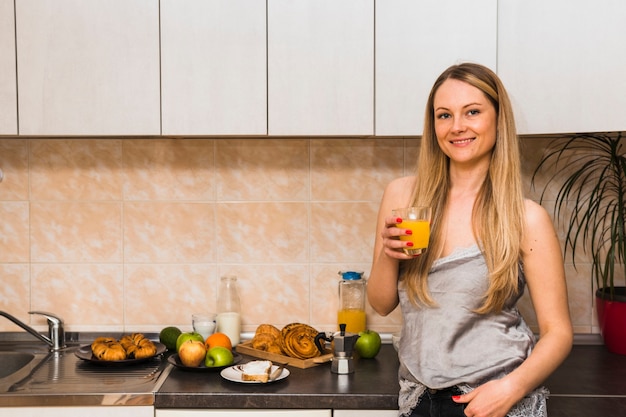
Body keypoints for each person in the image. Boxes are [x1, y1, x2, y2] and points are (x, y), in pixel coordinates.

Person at [367, 63, 573, 417]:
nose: (457, 126)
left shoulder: (525, 218)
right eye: (444, 115)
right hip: (419, 397)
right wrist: (389, 255)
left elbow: (558, 332)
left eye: (473, 112)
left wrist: (512, 388)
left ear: (497, 118)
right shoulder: (403, 197)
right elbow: (381, 304)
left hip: (495, 398)